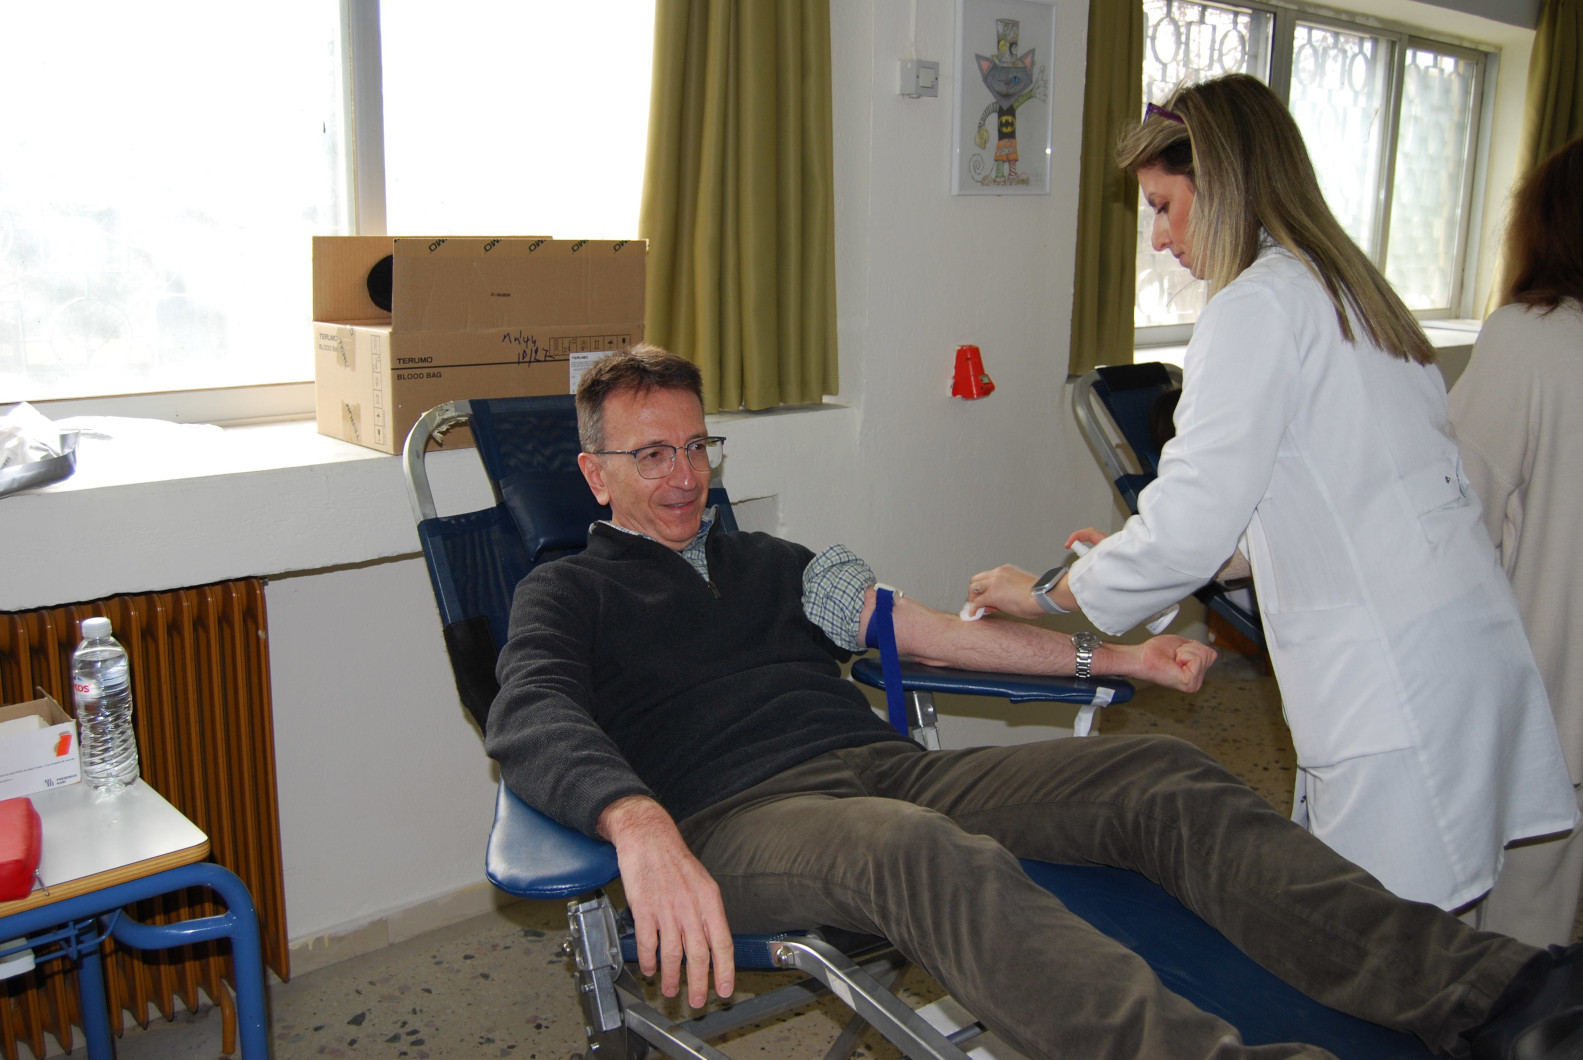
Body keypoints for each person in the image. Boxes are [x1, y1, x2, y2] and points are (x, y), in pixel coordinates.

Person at [488, 345, 1583, 1060]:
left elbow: (928, 631)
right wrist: (639, 823)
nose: (684, 475)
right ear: (594, 474)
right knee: (918, 850)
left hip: (886, 774)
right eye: (650, 455)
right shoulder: (568, 592)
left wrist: (1114, 661)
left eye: (696, 446)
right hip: (736, 820)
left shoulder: (776, 561)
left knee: (1155, 774)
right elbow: (529, 714)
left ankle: (1498, 994)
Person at [964, 74, 1576, 914]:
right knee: (1435, 933)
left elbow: (1187, 526)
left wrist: (1044, 593)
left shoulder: (1253, 309)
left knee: (1374, 942)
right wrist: (1135, 560)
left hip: (1391, 684)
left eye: (1163, 206)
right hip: (1461, 654)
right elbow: (1320, 502)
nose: (1158, 238)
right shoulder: (1348, 292)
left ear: (1219, 186)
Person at [1448, 134, 1583, 947]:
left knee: (1480, 929)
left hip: (1535, 702)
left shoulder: (1530, 338)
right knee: (1543, 917)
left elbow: (1452, 508)